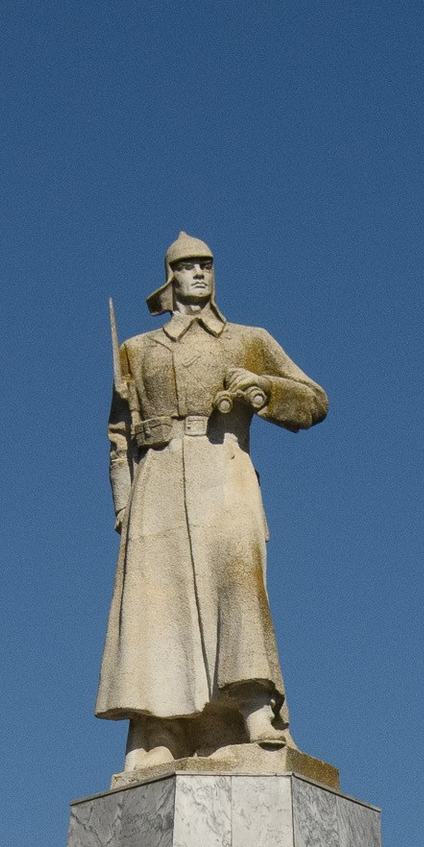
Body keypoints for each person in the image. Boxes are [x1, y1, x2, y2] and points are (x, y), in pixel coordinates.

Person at [96, 233, 328, 778]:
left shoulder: (248, 339)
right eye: (187, 266)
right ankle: (160, 730)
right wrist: (124, 505)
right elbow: (118, 436)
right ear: (169, 279)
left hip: (224, 469)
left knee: (237, 584)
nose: (199, 273)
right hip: (156, 482)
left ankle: (255, 709)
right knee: (159, 604)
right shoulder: (138, 350)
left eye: (206, 264)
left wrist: (262, 387)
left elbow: (314, 400)